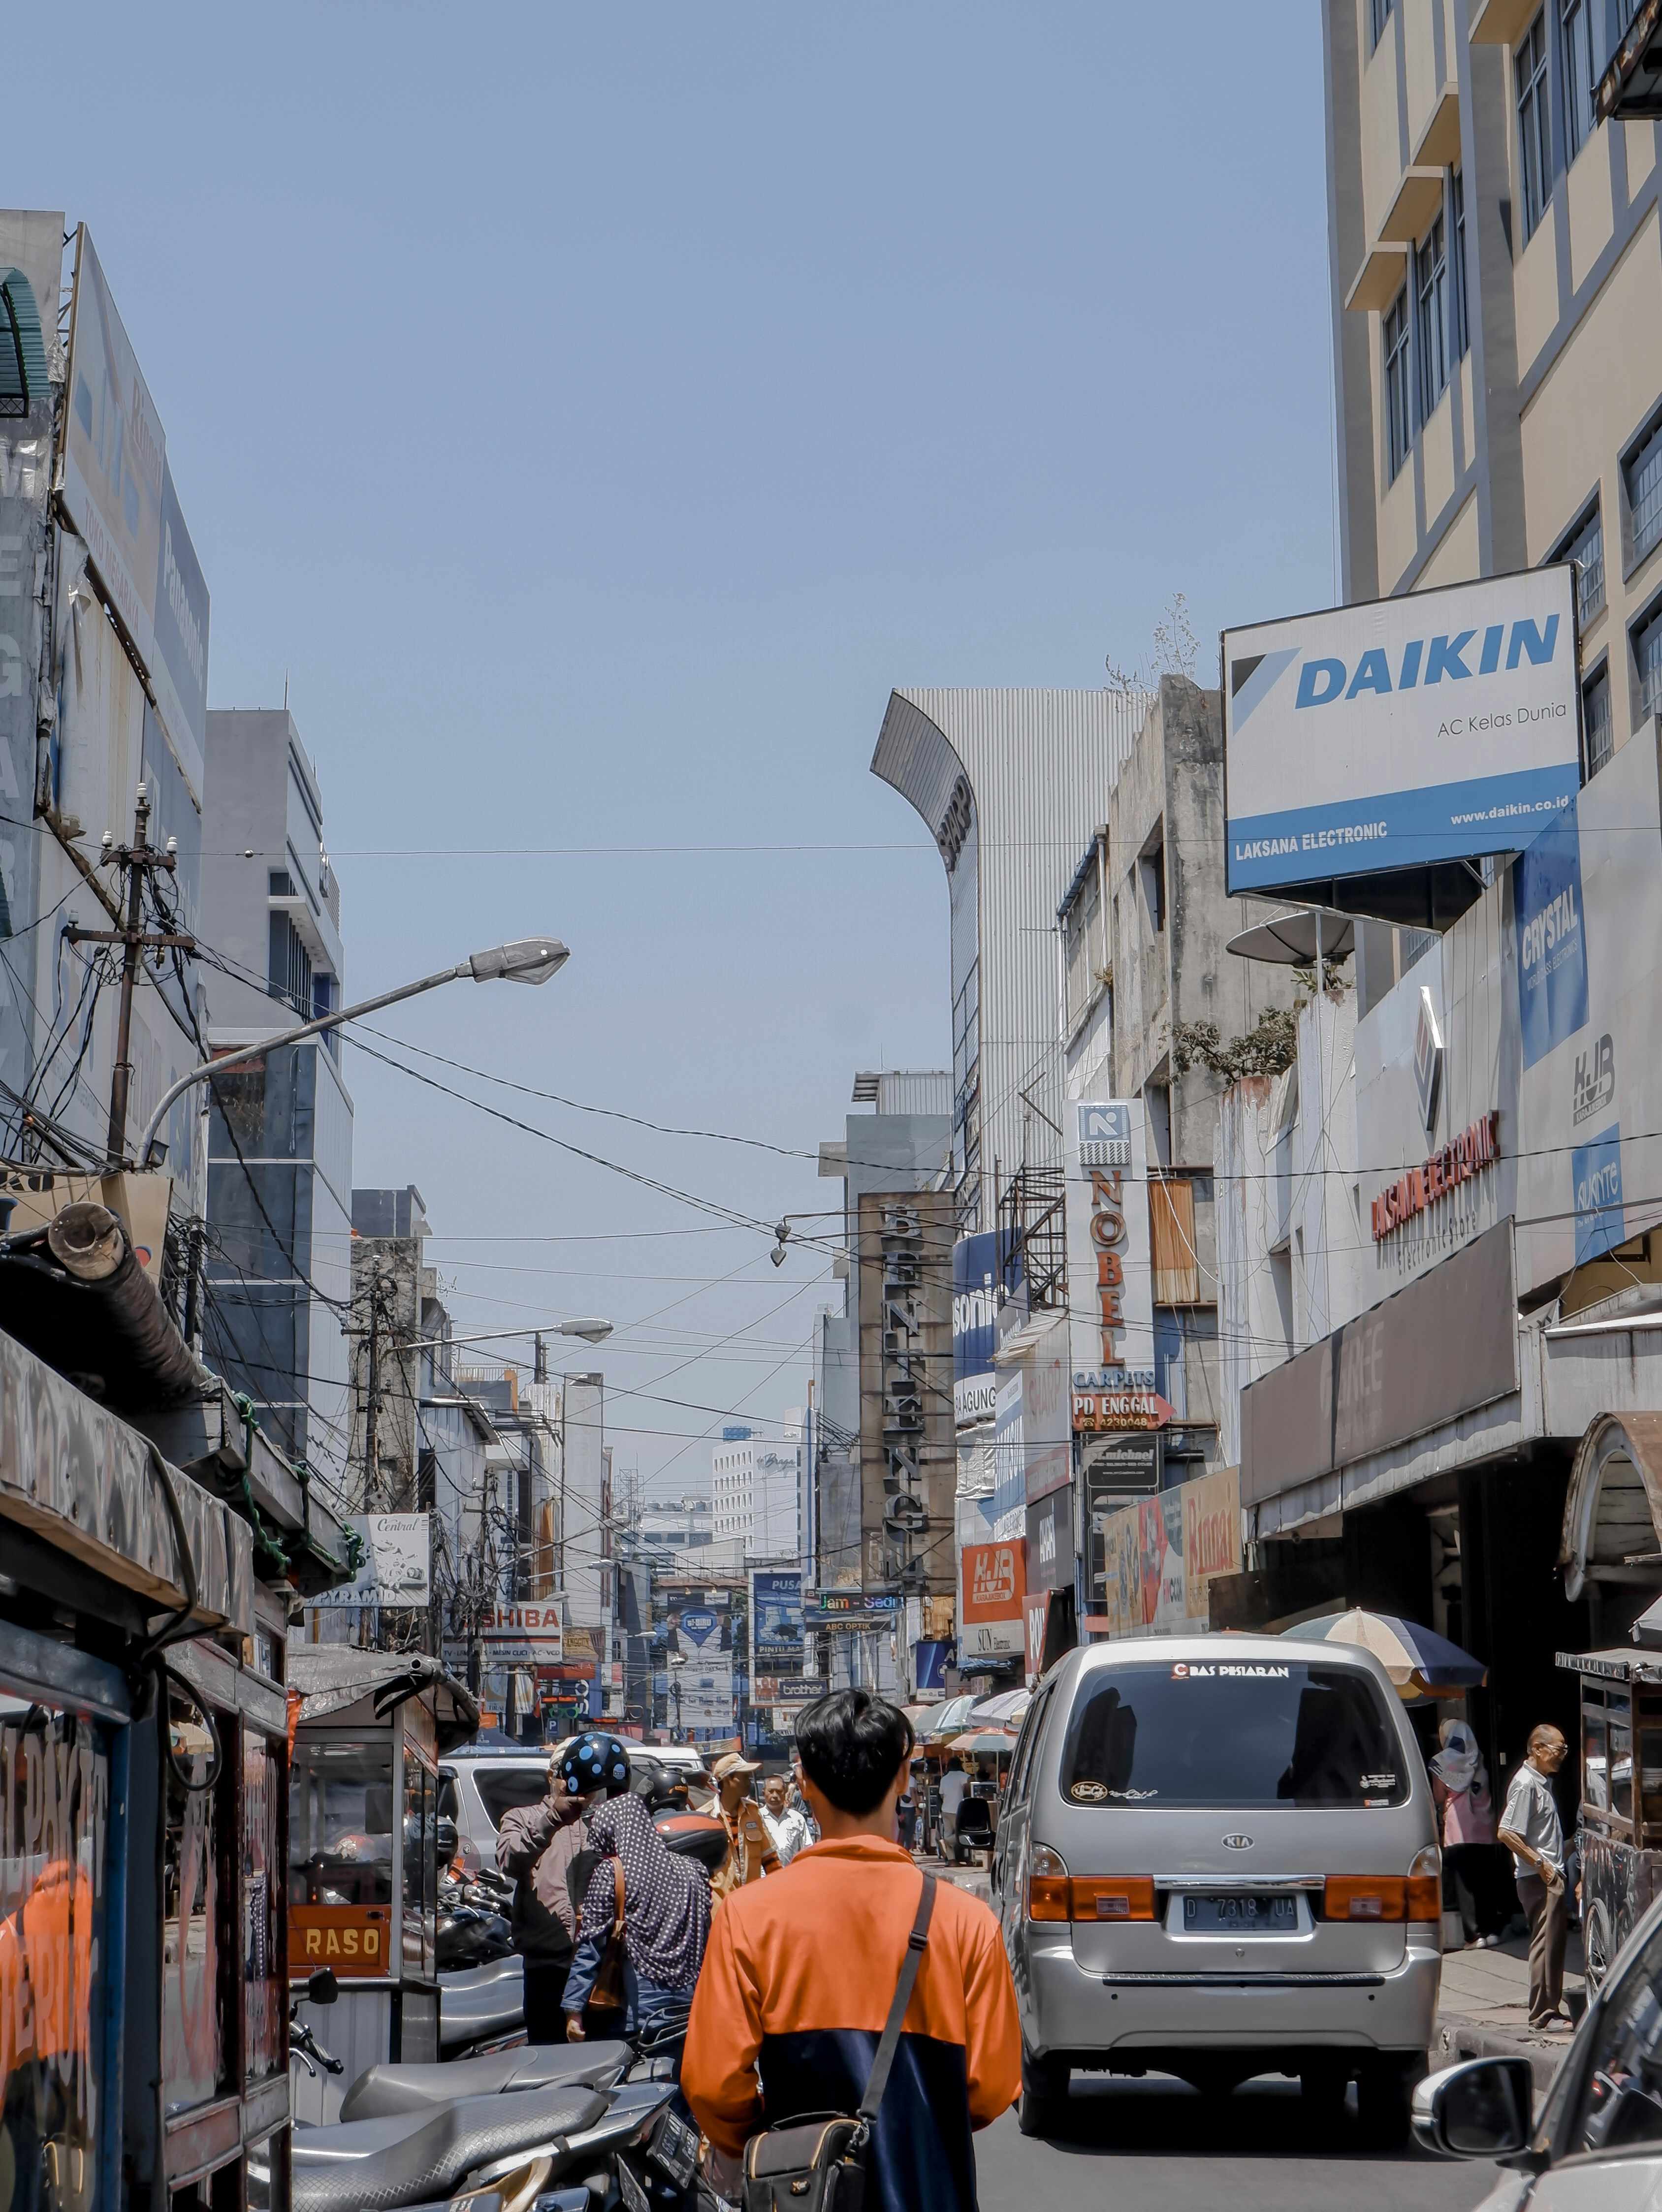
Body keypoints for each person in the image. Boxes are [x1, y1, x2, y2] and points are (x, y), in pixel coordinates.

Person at [683, 1689, 1021, 2212]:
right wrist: (921, 2121)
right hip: (931, 2190)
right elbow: (992, 2087)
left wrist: (773, 2141)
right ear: (904, 1778)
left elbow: (712, 2085)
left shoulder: (746, 1918)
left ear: (804, 1783)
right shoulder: (969, 1924)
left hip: (798, 2193)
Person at [496, 1732, 628, 2042]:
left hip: (599, 1969)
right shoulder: (523, 1818)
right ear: (552, 1777)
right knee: (548, 2059)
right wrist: (554, 1818)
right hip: (547, 1971)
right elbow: (511, 1860)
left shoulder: (604, 1824)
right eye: (570, 1773)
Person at [563, 1789, 712, 2039]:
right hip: (691, 2001)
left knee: (642, 2062)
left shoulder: (612, 1873)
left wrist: (573, 2008)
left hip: (639, 2006)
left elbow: (592, 1945)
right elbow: (705, 1934)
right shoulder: (692, 1869)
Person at [1497, 1723, 1571, 2032]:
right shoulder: (1526, 1783)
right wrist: (1542, 1864)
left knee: (1553, 1944)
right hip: (1539, 1878)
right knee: (1545, 1945)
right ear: (1538, 1749)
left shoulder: (1541, 1783)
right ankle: (1543, 2014)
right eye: (1558, 1749)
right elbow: (1506, 1833)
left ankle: (1550, 2009)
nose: (1562, 1755)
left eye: (1564, 1750)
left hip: (1548, 1874)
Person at [1430, 1719, 1502, 1948]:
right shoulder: (1479, 1758)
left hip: (1459, 1830)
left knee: (1465, 1884)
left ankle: (1474, 1936)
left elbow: (1439, 1797)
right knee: (1485, 1881)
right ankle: (1491, 1931)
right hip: (1485, 1826)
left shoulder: (1441, 1761)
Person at [711, 1749, 777, 1895]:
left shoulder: (753, 1813)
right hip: (720, 1904)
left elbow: (770, 1859)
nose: (749, 1782)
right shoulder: (707, 1817)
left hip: (750, 1900)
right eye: (745, 1777)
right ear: (727, 1780)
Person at [759, 1772, 812, 1865]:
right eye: (771, 1791)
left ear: (785, 1792)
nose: (775, 1795)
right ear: (764, 1793)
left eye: (779, 1791)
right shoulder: (757, 1818)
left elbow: (807, 1848)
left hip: (792, 1872)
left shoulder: (797, 1818)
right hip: (765, 1873)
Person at [938, 1755, 968, 1860]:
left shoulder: (944, 1779)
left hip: (945, 1810)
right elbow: (971, 1780)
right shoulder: (961, 1775)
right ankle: (946, 1841)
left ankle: (951, 1860)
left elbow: (942, 1795)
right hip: (957, 1810)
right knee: (963, 1833)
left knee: (948, 1833)